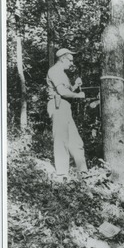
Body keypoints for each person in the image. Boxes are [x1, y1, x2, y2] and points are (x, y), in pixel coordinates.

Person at [46, 48, 88, 180]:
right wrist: (78, 95)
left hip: (65, 107)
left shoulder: (62, 74)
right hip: (58, 106)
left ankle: (83, 172)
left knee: (76, 141)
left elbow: (66, 91)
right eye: (70, 60)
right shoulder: (55, 71)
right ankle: (62, 174)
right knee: (61, 139)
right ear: (63, 58)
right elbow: (62, 93)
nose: (71, 63)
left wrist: (75, 86)